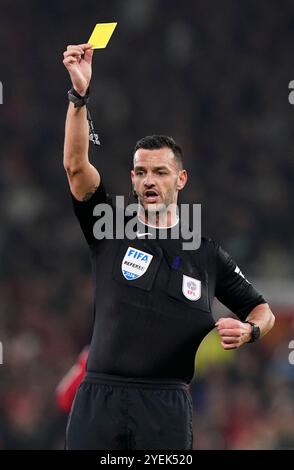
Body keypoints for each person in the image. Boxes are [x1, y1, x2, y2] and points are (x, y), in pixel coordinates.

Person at [62, 43, 275, 450]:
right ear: (131, 178)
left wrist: (249, 331)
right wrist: (78, 97)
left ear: (180, 180)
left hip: (165, 404)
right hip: (99, 398)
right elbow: (76, 166)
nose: (148, 181)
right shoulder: (109, 227)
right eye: (141, 172)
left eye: (160, 172)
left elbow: (262, 311)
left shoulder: (207, 254)